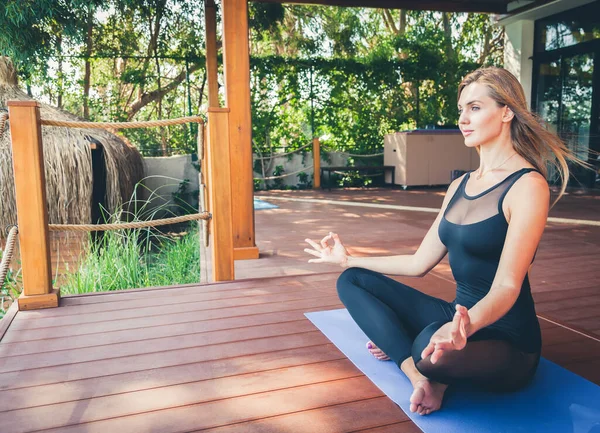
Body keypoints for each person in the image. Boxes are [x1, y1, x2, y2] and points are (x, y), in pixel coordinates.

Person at [304, 67, 583, 416]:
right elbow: (419, 263)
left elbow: (508, 286)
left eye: (475, 108)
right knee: (352, 281)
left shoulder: (527, 185)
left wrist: (460, 328)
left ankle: (420, 356)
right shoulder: (459, 186)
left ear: (506, 112)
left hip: (508, 342)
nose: (463, 119)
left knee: (427, 344)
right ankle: (418, 377)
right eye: (461, 109)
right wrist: (348, 259)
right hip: (457, 316)